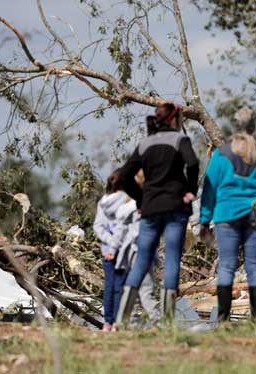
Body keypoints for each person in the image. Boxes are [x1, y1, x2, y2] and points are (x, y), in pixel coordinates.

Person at [115, 103, 199, 327]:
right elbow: (193, 163)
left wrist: (141, 199)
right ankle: (168, 321)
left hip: (150, 209)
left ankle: (123, 317)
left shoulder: (145, 144)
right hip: (175, 208)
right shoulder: (180, 140)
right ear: (174, 119)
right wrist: (190, 191)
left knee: (141, 260)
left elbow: (123, 176)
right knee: (171, 259)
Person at [199, 127, 256, 322]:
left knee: (226, 266)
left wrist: (204, 220)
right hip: (255, 215)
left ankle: (223, 320)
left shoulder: (221, 154)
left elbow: (209, 189)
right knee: (254, 267)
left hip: (226, 215)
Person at [109, 170, 161, 326]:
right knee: (140, 290)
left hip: (137, 252)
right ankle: (141, 321)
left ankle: (137, 321)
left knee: (138, 289)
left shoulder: (135, 203)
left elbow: (121, 224)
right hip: (143, 253)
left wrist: (113, 248)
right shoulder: (151, 201)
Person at [93, 171, 128, 331]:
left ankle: (107, 322)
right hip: (122, 249)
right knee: (120, 286)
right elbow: (126, 227)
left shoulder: (102, 202)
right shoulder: (128, 201)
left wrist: (108, 241)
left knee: (109, 286)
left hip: (106, 250)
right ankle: (117, 322)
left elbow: (97, 226)